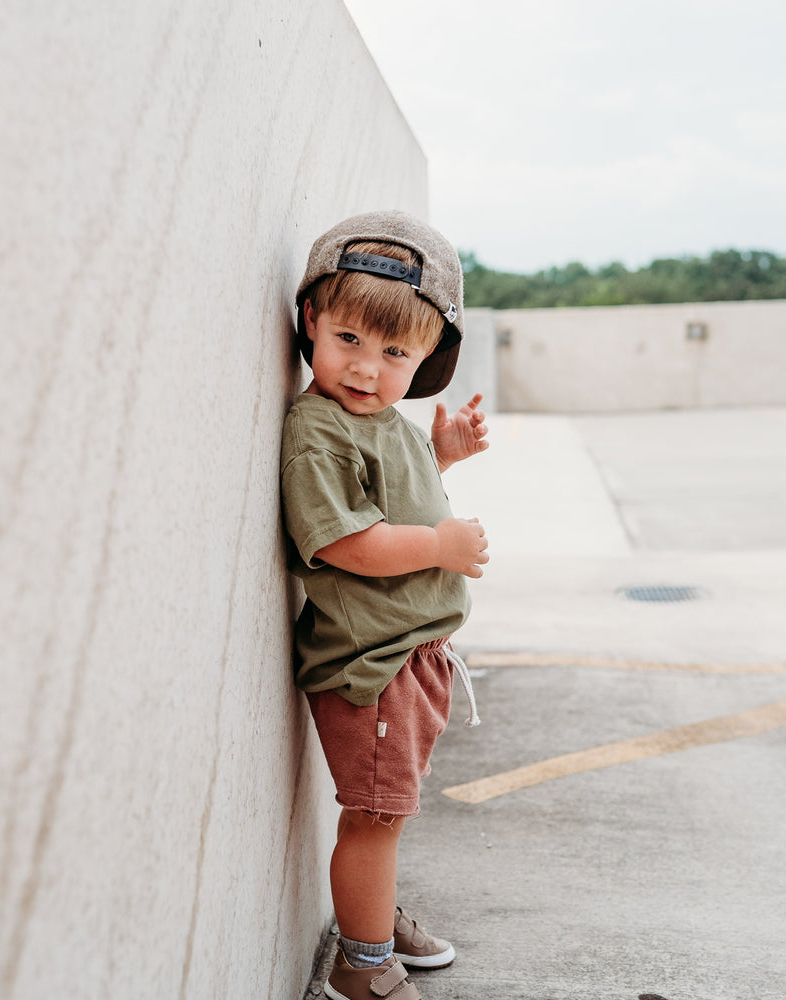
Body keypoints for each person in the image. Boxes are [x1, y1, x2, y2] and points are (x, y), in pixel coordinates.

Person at [280, 211, 490, 1000]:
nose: (368, 370)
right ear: (312, 320)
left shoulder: (380, 421)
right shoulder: (318, 431)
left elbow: (394, 495)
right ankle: (361, 967)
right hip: (370, 669)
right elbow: (346, 544)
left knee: (389, 814)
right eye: (349, 342)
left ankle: (370, 919)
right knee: (373, 815)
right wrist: (441, 548)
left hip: (410, 660)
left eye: (394, 352)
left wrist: (441, 456)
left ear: (428, 352)